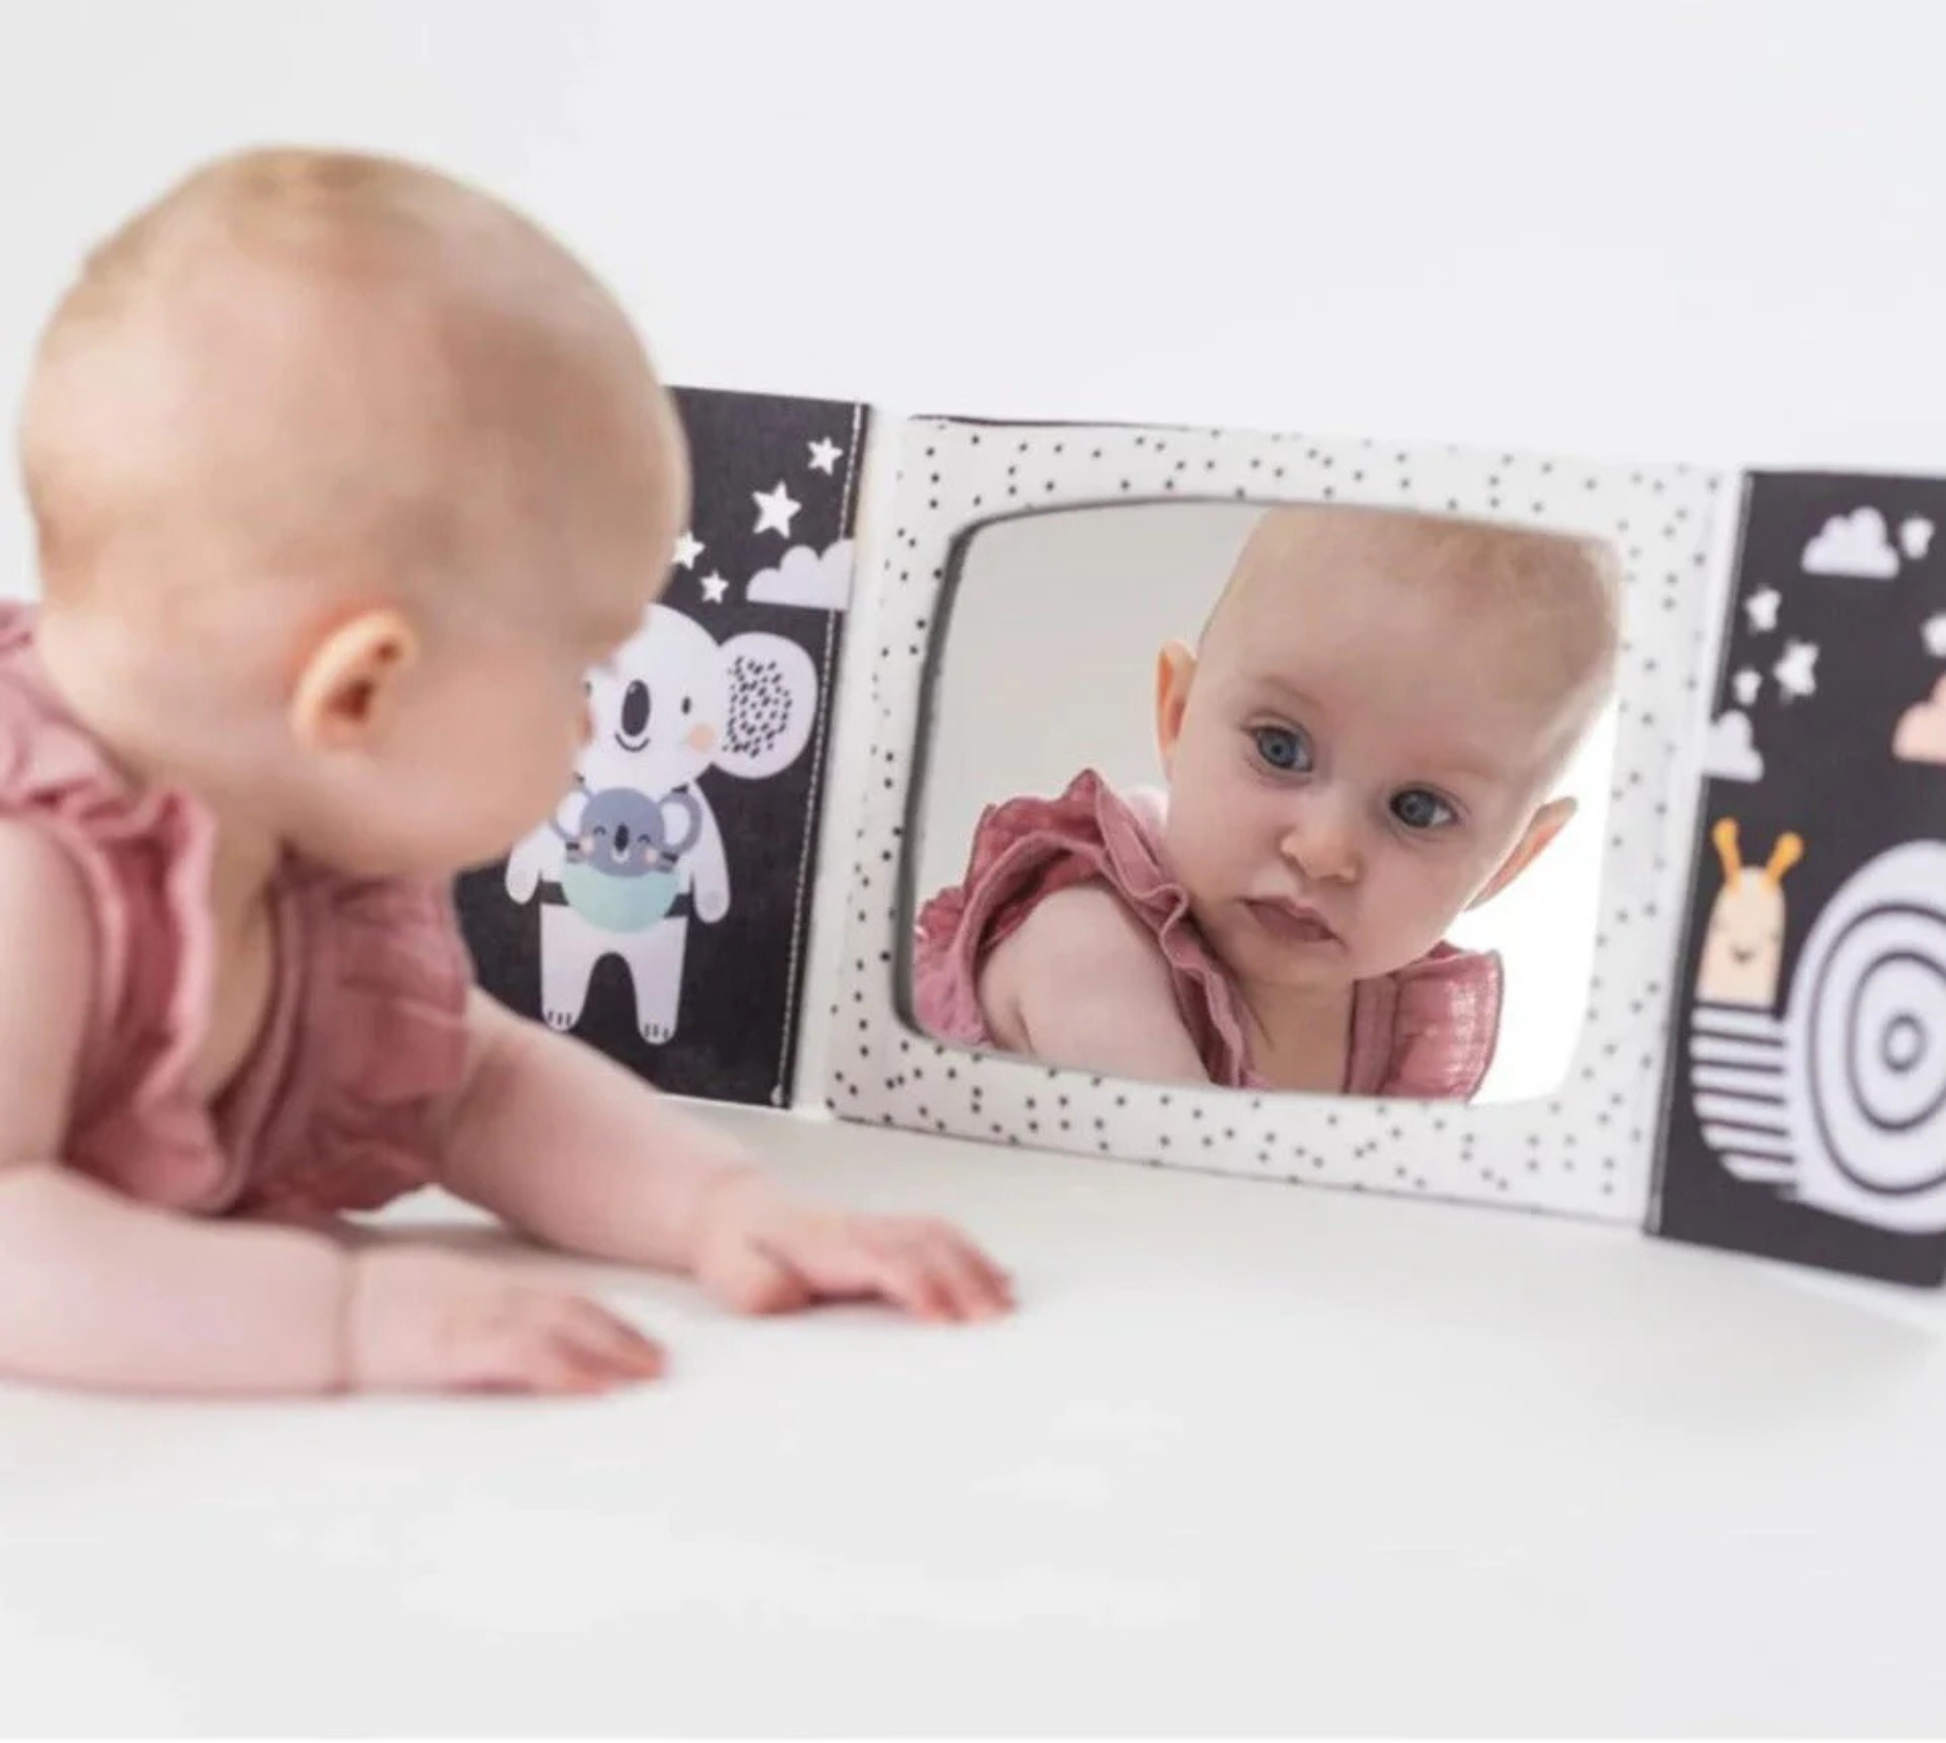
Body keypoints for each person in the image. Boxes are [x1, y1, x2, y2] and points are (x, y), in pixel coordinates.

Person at [0, 147, 1012, 1398]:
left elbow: (477, 1086)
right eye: (583, 665)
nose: (594, 726)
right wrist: (349, 1317)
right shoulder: (33, 874)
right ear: (361, 689)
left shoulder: (299, 849)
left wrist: (721, 1207)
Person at [915, 504, 1621, 1098]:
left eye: (1420, 809)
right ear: (1178, 717)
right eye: (1281, 748)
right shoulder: (1090, 946)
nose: (1323, 850)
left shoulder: (1401, 1022)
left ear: (1510, 861)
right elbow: (1179, 1195)